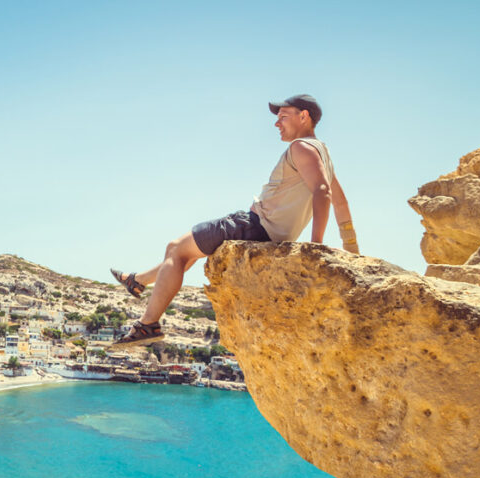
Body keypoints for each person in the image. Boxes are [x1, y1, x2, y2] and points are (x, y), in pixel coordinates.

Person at [111, 94, 359, 345]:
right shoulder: (323, 155)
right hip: (267, 231)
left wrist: (315, 246)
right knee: (187, 253)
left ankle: (148, 325)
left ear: (304, 116)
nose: (277, 123)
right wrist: (353, 250)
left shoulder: (301, 147)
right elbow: (340, 202)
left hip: (253, 225)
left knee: (176, 248)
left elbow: (323, 193)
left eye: (283, 116)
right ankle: (138, 281)